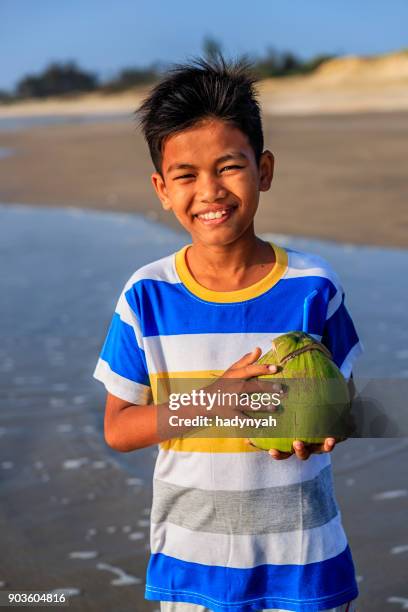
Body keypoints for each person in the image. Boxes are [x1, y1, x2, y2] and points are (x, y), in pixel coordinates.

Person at [93, 56, 363, 612]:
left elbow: (348, 401)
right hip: (194, 565)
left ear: (263, 169)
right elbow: (119, 430)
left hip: (306, 561)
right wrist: (211, 403)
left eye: (229, 167)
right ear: (161, 188)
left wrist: (324, 425)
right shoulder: (147, 295)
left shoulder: (312, 285)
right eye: (186, 176)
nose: (210, 191)